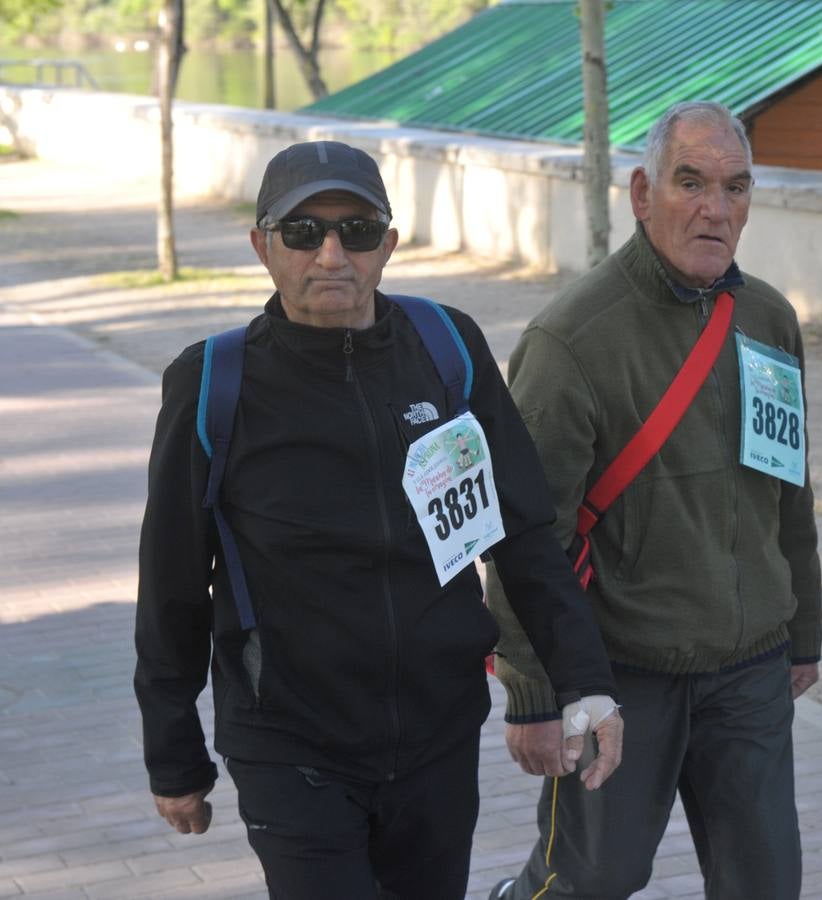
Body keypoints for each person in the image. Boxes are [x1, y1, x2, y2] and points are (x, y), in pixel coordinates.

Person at [133, 139, 623, 899]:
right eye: (303, 232)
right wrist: (174, 754)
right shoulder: (211, 383)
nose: (332, 255)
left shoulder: (448, 347)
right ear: (263, 247)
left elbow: (522, 532)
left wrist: (585, 679)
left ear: (388, 244)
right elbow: (170, 583)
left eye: (357, 231)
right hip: (292, 744)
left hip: (437, 735)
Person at [485, 101, 822, 900]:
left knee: (766, 883)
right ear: (642, 194)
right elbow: (523, 534)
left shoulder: (769, 318)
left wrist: (801, 629)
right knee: (593, 879)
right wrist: (534, 692)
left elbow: (789, 490)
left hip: (749, 670)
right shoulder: (571, 340)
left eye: (736, 187)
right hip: (621, 676)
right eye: (691, 183)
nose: (716, 209)